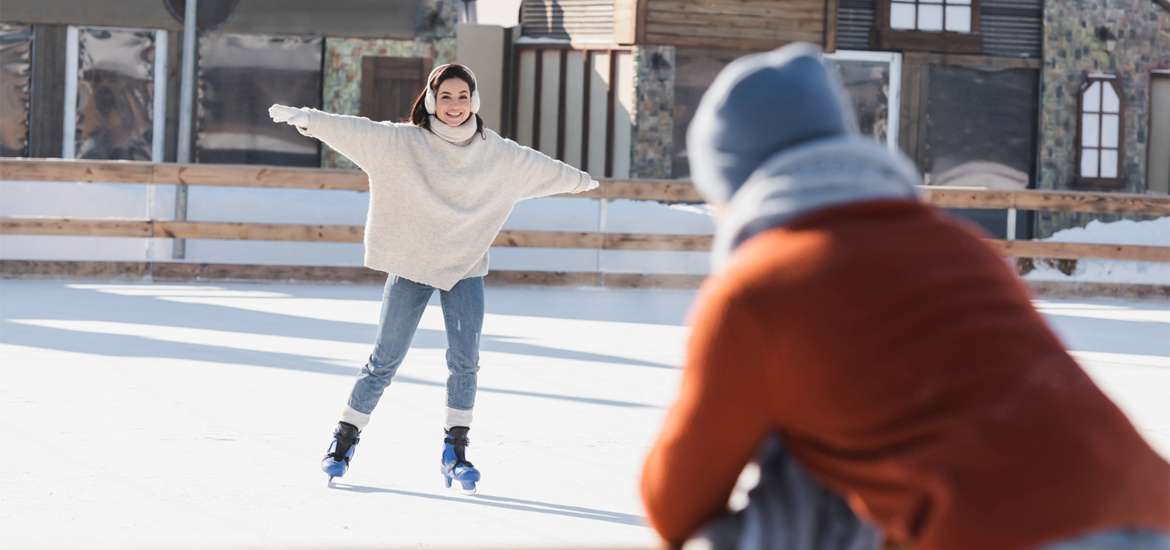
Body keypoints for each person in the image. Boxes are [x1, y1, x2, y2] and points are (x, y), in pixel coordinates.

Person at [640, 43, 1170, 550]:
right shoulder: (960, 246)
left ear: (735, 189)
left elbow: (677, 502)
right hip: (1151, 509)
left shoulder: (758, 290)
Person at [269, 63, 598, 493]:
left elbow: (539, 167)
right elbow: (358, 131)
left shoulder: (495, 153)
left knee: (465, 363)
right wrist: (309, 119)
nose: (455, 106)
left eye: (463, 97)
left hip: (465, 269)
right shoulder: (404, 143)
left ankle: (455, 453)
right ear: (431, 100)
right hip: (412, 264)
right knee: (383, 361)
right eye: (446, 97)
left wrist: (580, 182)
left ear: (474, 100)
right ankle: (343, 442)